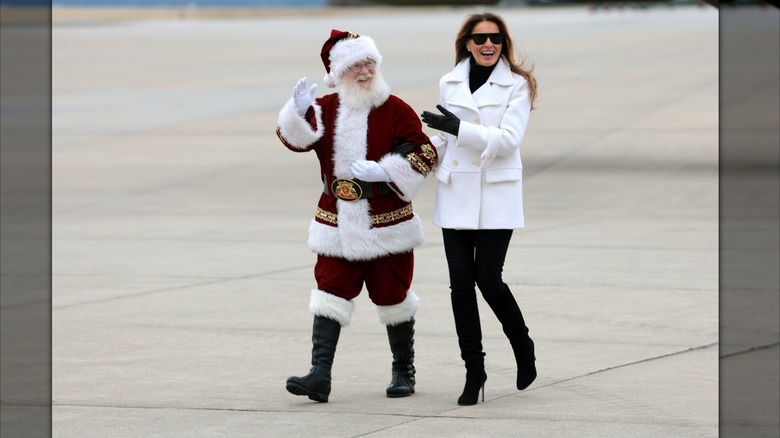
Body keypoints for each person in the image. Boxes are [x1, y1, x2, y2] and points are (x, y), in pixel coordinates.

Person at [276, 29, 438, 403]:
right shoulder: (328, 109)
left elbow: (425, 152)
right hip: (335, 221)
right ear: (338, 73)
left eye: (369, 63)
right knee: (329, 292)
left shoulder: (396, 108)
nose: (365, 71)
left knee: (393, 296)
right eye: (355, 66)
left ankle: (403, 370)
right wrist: (298, 111)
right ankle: (320, 375)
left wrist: (388, 171)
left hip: (387, 222)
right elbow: (293, 140)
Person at [421, 12, 538, 406]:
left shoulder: (517, 85)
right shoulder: (450, 80)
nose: (488, 45)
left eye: (496, 39)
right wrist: (424, 148)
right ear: (467, 43)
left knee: (489, 279)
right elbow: (448, 138)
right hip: (456, 195)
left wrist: (457, 129)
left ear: (503, 43)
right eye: (480, 38)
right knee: (460, 287)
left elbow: (507, 140)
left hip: (495, 195)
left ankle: (522, 345)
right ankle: (475, 370)